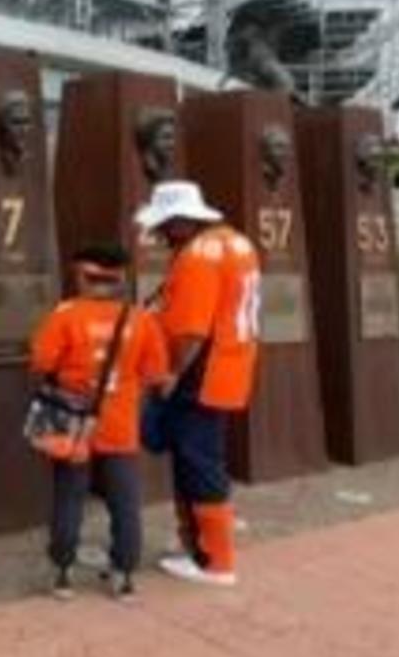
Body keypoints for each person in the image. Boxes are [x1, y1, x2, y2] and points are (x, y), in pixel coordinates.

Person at [28, 243, 168, 601]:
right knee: (125, 502)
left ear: (85, 278)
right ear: (121, 279)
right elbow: (155, 374)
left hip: (74, 424)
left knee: (69, 496)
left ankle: (62, 571)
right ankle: (123, 575)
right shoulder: (141, 319)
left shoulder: (65, 315)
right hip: (121, 426)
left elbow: (41, 362)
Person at [137, 180, 261, 587]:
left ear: (178, 222)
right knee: (205, 455)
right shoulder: (237, 243)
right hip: (230, 366)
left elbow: (191, 329)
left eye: (162, 227)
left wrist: (172, 372)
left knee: (196, 460)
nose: (157, 236)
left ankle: (215, 560)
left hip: (199, 374)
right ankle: (201, 541)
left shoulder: (196, 258)